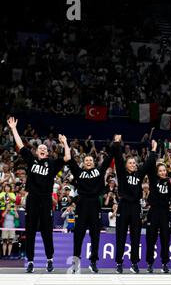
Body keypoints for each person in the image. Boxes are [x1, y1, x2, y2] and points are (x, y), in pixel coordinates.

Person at [7, 117, 70, 273]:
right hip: (33, 199)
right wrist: (14, 129)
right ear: (36, 151)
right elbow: (20, 145)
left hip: (46, 200)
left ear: (47, 152)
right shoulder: (32, 160)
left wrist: (65, 143)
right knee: (30, 231)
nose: (42, 148)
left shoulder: (53, 163)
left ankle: (49, 259)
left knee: (47, 232)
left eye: (45, 148)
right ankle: (30, 261)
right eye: (40, 147)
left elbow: (67, 157)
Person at [67, 141, 113, 274]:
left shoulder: (99, 171)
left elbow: (108, 159)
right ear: (83, 162)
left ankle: (93, 262)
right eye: (86, 160)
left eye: (90, 160)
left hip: (94, 204)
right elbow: (70, 161)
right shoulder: (79, 172)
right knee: (78, 235)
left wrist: (115, 144)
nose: (88, 162)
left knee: (95, 235)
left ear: (94, 162)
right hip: (81, 204)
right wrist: (65, 143)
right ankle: (75, 263)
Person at [112, 134, 153, 274]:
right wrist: (117, 144)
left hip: (135, 207)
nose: (133, 164)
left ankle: (134, 263)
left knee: (135, 236)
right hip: (123, 206)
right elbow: (117, 159)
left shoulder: (139, 174)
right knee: (121, 236)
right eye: (130, 163)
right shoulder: (122, 174)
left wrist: (153, 151)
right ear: (126, 165)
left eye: (134, 163)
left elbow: (147, 165)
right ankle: (119, 263)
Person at [145, 140, 171, 274]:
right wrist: (154, 149)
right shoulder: (153, 180)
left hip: (165, 213)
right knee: (151, 239)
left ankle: (165, 263)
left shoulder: (170, 182)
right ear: (156, 173)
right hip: (153, 212)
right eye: (160, 171)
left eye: (164, 170)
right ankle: (150, 263)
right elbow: (150, 164)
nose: (162, 172)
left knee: (165, 240)